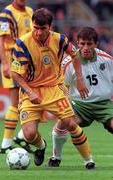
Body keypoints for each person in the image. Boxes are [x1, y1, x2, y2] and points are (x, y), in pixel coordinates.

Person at [11, 8, 95, 169]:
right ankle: (41, 147)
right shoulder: (22, 43)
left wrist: (79, 79)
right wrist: (30, 92)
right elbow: (16, 74)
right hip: (31, 91)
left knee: (70, 123)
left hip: (54, 88)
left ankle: (88, 161)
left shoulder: (60, 40)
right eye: (35, 27)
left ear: (50, 26)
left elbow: (75, 55)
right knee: (29, 135)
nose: (38, 32)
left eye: (43, 28)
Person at [47, 26, 113, 167]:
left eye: (89, 44)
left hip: (104, 104)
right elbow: (61, 86)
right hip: (80, 105)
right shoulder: (68, 63)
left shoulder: (107, 60)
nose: (86, 47)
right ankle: (55, 158)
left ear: (96, 44)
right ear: (77, 43)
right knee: (63, 122)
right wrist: (64, 104)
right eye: (82, 43)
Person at [0, 0, 33, 153]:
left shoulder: (30, 12)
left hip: (28, 62)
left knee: (35, 99)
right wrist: (5, 63)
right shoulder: (7, 13)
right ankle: (7, 143)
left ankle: (19, 137)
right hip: (13, 62)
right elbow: (1, 39)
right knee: (15, 102)